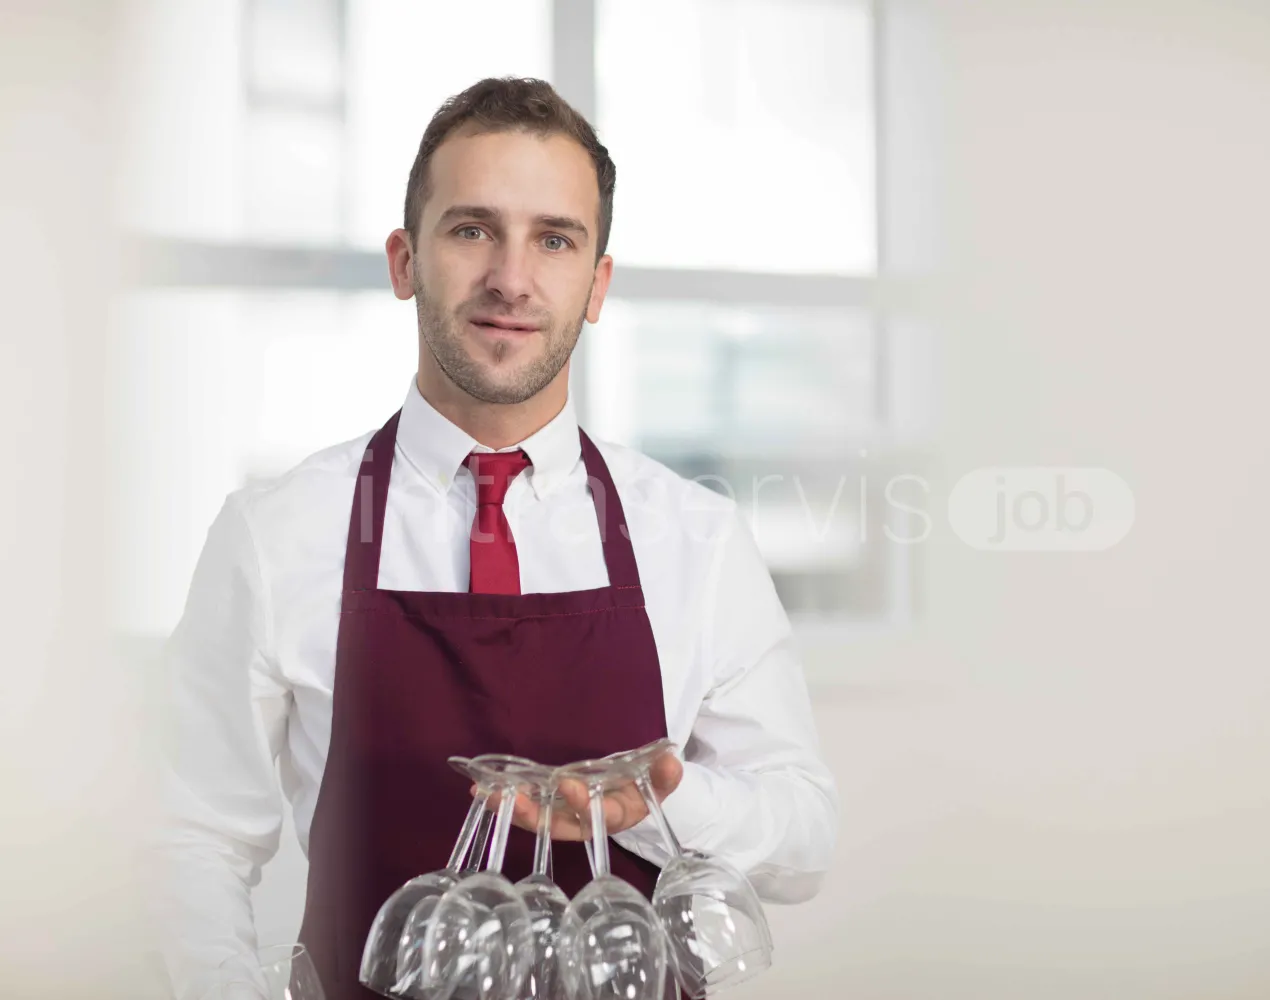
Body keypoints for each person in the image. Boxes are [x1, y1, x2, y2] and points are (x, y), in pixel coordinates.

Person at [152, 76, 837, 999]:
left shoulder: (696, 538)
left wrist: (659, 805)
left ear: (596, 285)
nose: (512, 278)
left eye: (554, 240)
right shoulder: (276, 535)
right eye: (472, 229)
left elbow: (802, 844)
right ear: (405, 262)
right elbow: (194, 838)